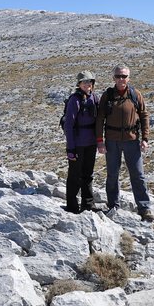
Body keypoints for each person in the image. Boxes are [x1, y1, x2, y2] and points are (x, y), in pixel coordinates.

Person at [96, 65, 154, 222]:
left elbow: (144, 116)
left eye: (124, 76)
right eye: (118, 76)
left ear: (129, 78)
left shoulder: (135, 94)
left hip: (132, 140)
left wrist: (145, 138)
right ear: (113, 78)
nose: (121, 79)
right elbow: (100, 118)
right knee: (112, 175)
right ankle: (113, 205)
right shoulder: (107, 95)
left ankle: (144, 208)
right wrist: (100, 142)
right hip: (112, 141)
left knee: (138, 175)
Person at [63, 70, 99, 213]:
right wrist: (70, 149)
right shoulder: (74, 100)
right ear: (79, 84)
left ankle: (88, 204)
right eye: (84, 82)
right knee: (74, 176)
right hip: (77, 145)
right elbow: (68, 125)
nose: (87, 84)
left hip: (91, 143)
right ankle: (72, 206)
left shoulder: (94, 98)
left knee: (88, 174)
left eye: (90, 82)